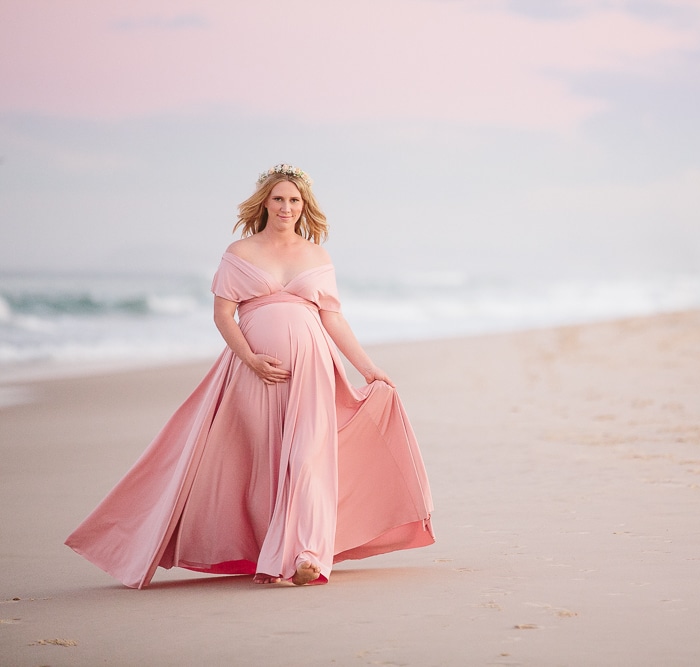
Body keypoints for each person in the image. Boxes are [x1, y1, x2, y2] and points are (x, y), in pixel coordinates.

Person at [66, 164, 434, 588]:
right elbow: (223, 316)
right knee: (262, 465)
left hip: (313, 370)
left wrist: (368, 367)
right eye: (279, 198)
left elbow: (333, 319)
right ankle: (272, 550)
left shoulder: (317, 255)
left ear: (304, 206)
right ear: (265, 202)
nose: (286, 207)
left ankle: (308, 554)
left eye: (294, 200)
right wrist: (251, 360)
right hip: (255, 374)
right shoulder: (239, 253)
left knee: (310, 458)